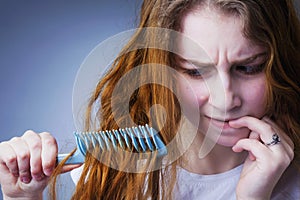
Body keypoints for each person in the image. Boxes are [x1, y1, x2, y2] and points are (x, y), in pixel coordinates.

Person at [1, 0, 299, 199]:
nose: (226, 99)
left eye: (248, 68)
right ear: (162, 69)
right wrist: (23, 197)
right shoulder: (110, 175)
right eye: (195, 71)